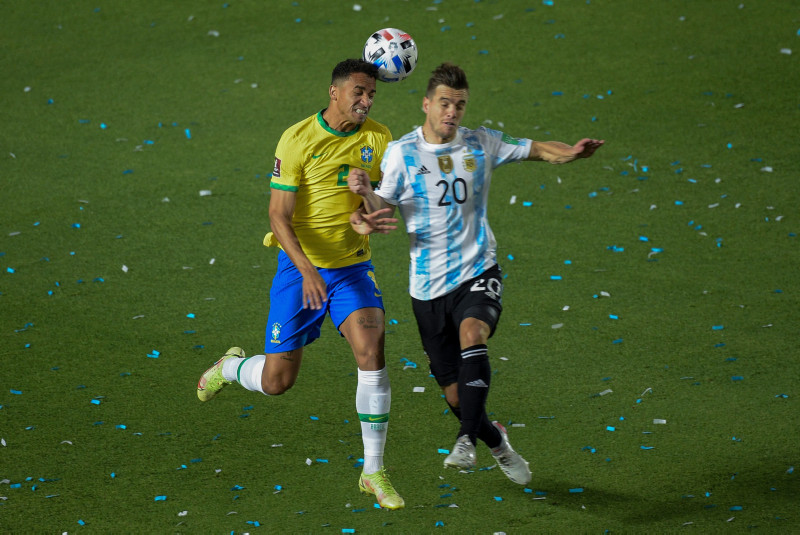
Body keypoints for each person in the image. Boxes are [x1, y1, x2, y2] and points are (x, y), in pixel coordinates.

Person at [348, 62, 604, 486]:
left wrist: (571, 153)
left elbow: (539, 148)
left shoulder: (482, 142)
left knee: (474, 333)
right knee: (455, 395)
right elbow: (381, 208)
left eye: (460, 105)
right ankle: (496, 442)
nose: (453, 112)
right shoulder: (402, 153)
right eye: (445, 103)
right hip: (427, 288)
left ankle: (466, 437)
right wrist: (364, 204)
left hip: (477, 269)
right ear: (427, 104)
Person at [196, 59, 404, 509]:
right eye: (359, 93)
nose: (367, 101)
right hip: (299, 270)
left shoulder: (380, 140)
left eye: (372, 94)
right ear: (335, 92)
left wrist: (367, 203)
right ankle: (229, 368)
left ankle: (374, 470)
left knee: (372, 349)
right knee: (276, 382)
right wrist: (308, 269)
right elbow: (277, 215)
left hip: (351, 268)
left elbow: (385, 205)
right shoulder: (297, 140)